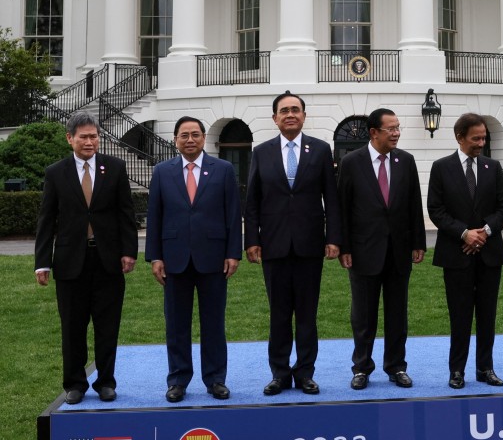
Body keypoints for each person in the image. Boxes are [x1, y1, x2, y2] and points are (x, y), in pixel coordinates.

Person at [35, 112, 137, 404]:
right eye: (84, 137)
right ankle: (75, 384)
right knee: (72, 327)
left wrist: (129, 251)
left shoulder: (115, 168)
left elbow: (125, 214)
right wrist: (42, 261)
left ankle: (106, 382)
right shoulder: (56, 172)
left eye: (94, 136)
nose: (90, 141)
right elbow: (46, 220)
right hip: (70, 263)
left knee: (107, 326)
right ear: (70, 139)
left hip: (108, 261)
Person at [244, 91, 341, 395]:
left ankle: (305, 373)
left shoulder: (322, 150)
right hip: (273, 245)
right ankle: (280, 373)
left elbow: (332, 198)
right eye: (284, 110)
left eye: (295, 110)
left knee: (307, 315)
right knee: (279, 314)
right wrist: (252, 240)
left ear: (303, 116)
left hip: (310, 245)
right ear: (275, 118)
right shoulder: (261, 152)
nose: (290, 114)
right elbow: (252, 201)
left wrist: (334, 238)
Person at [146, 116, 242, 403]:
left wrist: (233, 253)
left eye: (196, 134)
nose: (190, 139)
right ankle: (178, 380)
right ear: (175, 139)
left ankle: (215, 379)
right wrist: (155, 257)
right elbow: (155, 217)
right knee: (176, 324)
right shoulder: (162, 172)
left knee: (214, 322)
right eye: (184, 135)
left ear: (203, 138)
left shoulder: (223, 170)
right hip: (174, 259)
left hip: (213, 259)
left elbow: (233, 215)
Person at [338, 108, 426, 390]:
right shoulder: (352, 162)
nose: (397, 133)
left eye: (398, 127)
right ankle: (362, 367)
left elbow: (414, 204)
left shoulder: (406, 161)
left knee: (397, 314)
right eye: (391, 129)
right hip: (363, 251)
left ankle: (396, 366)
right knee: (363, 315)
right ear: (374, 132)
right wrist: (345, 247)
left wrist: (418, 242)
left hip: (399, 250)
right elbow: (343, 208)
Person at [427, 113, 503, 389]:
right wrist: (464, 233)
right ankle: (457, 371)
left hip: (489, 254)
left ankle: (485, 368)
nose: (481, 143)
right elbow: (436, 210)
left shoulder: (493, 167)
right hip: (456, 254)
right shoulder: (441, 168)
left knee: (487, 315)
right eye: (476, 138)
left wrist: (483, 232)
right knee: (460, 315)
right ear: (459, 137)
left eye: (484, 138)